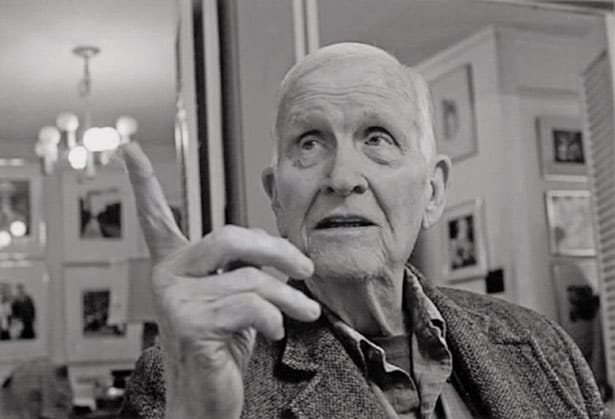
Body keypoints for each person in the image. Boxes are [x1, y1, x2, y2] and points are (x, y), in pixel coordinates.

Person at [118, 43, 606, 419]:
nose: (342, 177)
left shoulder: (543, 345)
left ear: (433, 191)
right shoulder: (180, 382)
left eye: (378, 138)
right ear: (276, 197)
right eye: (309, 143)